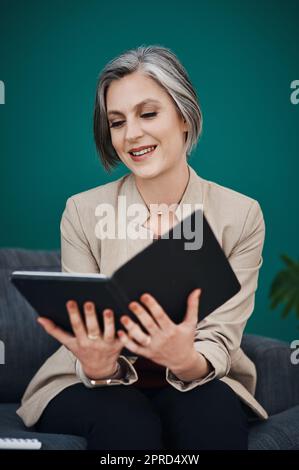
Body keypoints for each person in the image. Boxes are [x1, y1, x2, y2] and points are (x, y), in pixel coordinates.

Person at [16, 45, 268, 450]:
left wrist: (184, 358)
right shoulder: (82, 211)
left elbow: (222, 335)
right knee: (127, 423)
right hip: (92, 379)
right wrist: (98, 366)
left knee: (212, 416)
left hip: (196, 375)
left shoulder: (240, 215)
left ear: (184, 117)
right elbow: (85, 322)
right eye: (117, 122)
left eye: (148, 114)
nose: (131, 134)